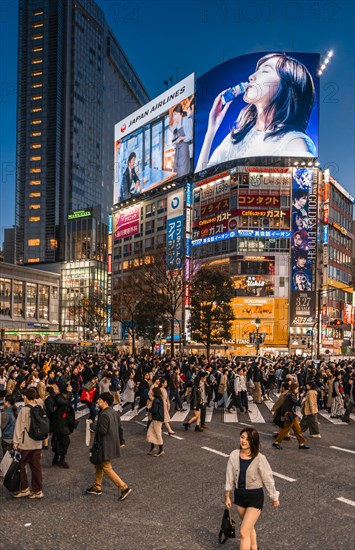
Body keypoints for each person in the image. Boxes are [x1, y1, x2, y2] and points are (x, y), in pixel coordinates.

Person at [196, 52, 316, 171]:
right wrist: (211, 131)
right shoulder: (237, 137)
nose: (251, 77)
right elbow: (199, 183)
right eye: (257, 70)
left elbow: (305, 186)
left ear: (287, 86)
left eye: (265, 71)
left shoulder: (294, 142)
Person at [225, 427, 280, 550]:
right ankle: (254, 548)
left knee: (244, 532)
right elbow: (229, 476)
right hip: (239, 496)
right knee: (249, 527)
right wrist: (227, 496)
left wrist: (274, 497)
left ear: (253, 442)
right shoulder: (234, 455)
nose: (244, 441)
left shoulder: (260, 458)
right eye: (242, 437)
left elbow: (268, 478)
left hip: (255, 497)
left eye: (248, 439)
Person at [86, 392, 131, 500]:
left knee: (106, 467)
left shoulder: (104, 414)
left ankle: (123, 487)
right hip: (111, 443)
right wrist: (121, 440)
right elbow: (120, 427)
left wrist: (92, 425)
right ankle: (97, 486)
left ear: (105, 401)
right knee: (99, 465)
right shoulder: (114, 412)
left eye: (100, 399)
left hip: (103, 445)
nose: (98, 401)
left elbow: (102, 431)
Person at [12, 387, 44, 499]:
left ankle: (24, 488)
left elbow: (18, 428)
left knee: (21, 466)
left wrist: (15, 443)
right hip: (37, 443)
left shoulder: (24, 410)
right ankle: (38, 490)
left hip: (25, 444)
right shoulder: (40, 408)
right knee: (36, 467)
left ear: (25, 397)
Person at [273, 383, 310, 450]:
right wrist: (301, 397)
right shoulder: (291, 395)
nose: (298, 390)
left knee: (298, 430)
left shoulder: (290, 394)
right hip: (289, 415)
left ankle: (301, 444)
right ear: (294, 388)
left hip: (292, 415)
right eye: (297, 389)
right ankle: (276, 443)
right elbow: (298, 403)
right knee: (285, 430)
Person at [51, 382, 76, 468]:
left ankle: (56, 458)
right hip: (59, 423)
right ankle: (61, 459)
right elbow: (67, 402)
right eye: (68, 388)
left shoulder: (63, 396)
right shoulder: (59, 397)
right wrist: (69, 392)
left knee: (60, 441)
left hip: (64, 422)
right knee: (65, 441)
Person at [170, 104, 193, 177]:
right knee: (176, 170)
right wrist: (175, 140)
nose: (173, 117)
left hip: (184, 148)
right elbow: (172, 140)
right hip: (177, 150)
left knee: (183, 170)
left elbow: (190, 136)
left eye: (175, 115)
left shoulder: (186, 120)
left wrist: (181, 138)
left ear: (179, 114)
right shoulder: (175, 125)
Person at [147, 387, 165, 456]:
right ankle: (152, 448)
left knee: (158, 434)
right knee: (150, 432)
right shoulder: (160, 399)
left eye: (152, 391)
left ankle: (161, 450)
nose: (151, 393)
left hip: (157, 419)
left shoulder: (156, 400)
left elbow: (154, 410)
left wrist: (149, 409)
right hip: (158, 418)